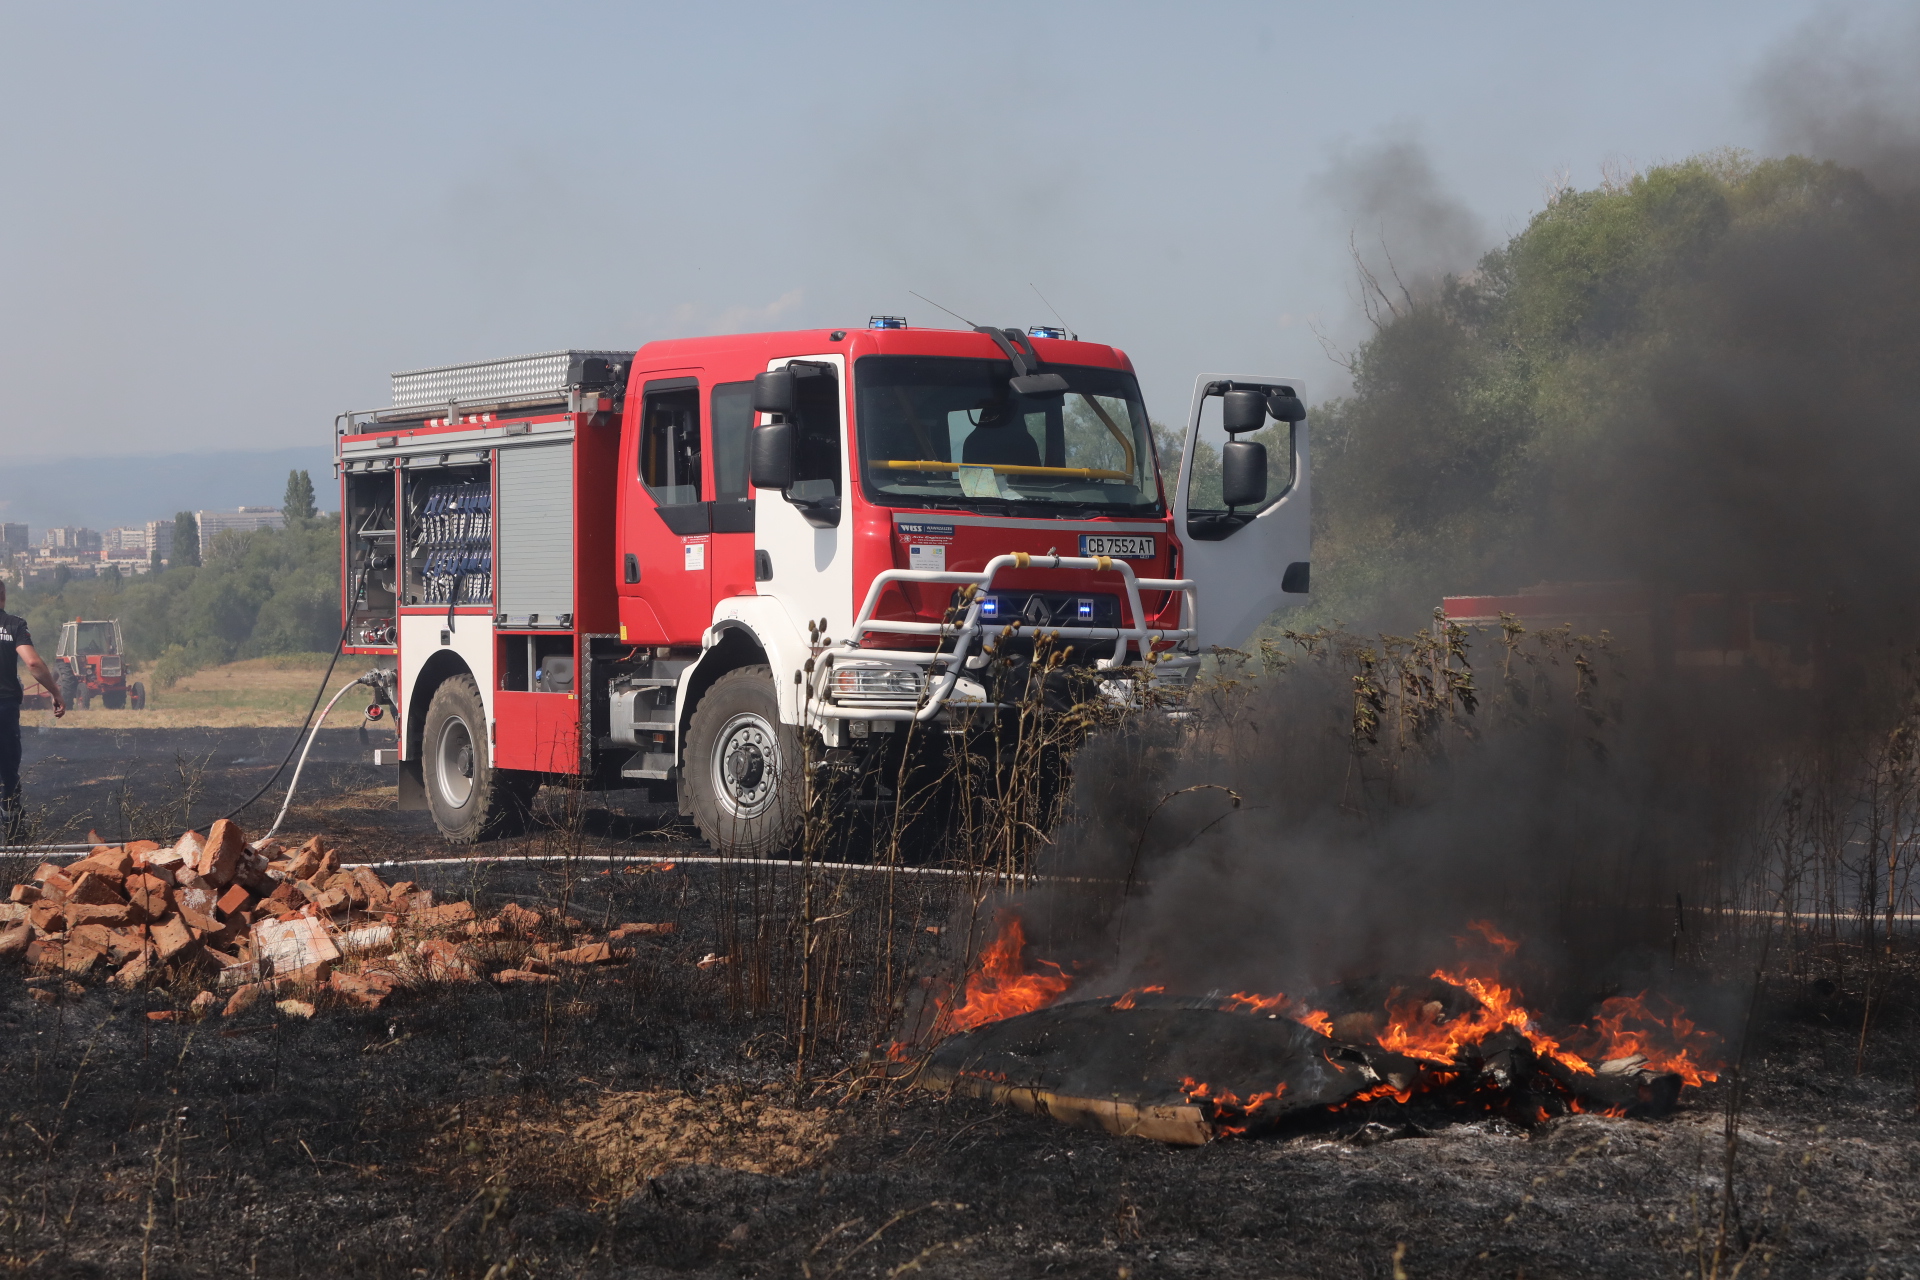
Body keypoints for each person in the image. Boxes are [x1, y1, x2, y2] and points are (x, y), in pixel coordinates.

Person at [0, 580, 66, 838]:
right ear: (3, 595)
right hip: (4, 707)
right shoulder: (14, 625)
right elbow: (33, 663)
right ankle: (14, 828)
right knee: (8, 768)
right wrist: (56, 692)